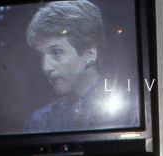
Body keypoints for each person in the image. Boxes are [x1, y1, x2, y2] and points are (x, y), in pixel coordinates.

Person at [24, 0, 140, 133]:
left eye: (56, 53)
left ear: (89, 53)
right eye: (41, 56)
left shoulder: (134, 108)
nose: (46, 67)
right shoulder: (40, 121)